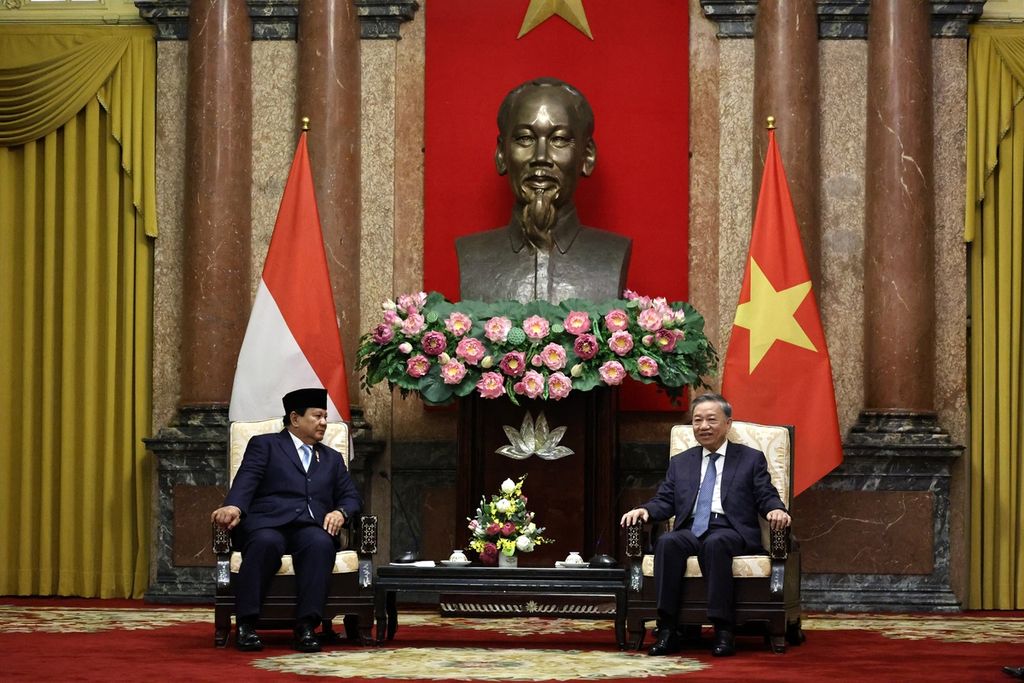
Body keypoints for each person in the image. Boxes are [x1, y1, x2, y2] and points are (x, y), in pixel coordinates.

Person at [620, 393, 791, 657]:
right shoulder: (681, 462)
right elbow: (665, 500)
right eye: (697, 420)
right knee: (667, 542)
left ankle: (723, 630)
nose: (703, 426)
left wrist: (777, 510)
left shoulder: (750, 458)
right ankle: (667, 629)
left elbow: (765, 494)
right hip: (690, 529)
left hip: (729, 530)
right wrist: (644, 510)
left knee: (715, 543)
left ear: (728, 424)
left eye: (711, 419)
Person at [211, 388, 362, 653]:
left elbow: (351, 498)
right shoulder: (265, 445)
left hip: (310, 527)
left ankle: (306, 627)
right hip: (268, 524)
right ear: (295, 419)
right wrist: (233, 506)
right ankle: (246, 624)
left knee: (320, 544)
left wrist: (341, 512)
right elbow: (246, 480)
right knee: (265, 543)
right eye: (317, 416)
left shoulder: (331, 458)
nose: (324, 423)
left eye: (325, 417)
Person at [456, 77, 631, 304]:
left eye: (558, 140)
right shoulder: (472, 254)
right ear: (501, 154)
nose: (541, 157)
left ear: (587, 156)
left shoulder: (612, 254)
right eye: (525, 138)